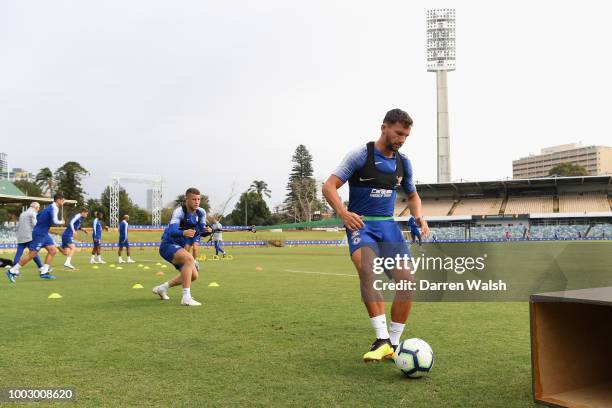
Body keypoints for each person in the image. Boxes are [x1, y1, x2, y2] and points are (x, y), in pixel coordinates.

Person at [322, 108, 428, 362]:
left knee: (407, 283)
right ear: (384, 127)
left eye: (406, 136)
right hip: (362, 225)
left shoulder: (404, 163)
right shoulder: (361, 155)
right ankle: (380, 338)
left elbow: (412, 195)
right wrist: (343, 213)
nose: (402, 139)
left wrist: (419, 217)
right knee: (366, 268)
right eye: (398, 133)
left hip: (388, 227)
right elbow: (329, 186)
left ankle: (393, 343)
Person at [152, 188, 211, 306]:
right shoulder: (179, 212)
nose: (197, 202)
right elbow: (173, 230)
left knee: (193, 276)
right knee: (189, 259)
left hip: (180, 248)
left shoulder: (201, 212)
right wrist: (183, 232)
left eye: (199, 199)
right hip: (168, 245)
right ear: (187, 200)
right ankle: (186, 298)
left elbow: (201, 230)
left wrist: (207, 231)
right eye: (194, 199)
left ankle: (162, 288)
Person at [7, 193, 66, 281]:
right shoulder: (54, 207)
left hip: (43, 233)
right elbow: (55, 221)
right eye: (63, 200)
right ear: (58, 200)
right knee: (32, 254)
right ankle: (12, 271)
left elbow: (39, 216)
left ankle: (44, 272)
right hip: (40, 233)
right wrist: (62, 222)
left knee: (53, 250)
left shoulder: (50, 207)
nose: (64, 201)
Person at [8, 202, 45, 280]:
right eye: (38, 208)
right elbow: (35, 224)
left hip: (20, 236)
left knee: (19, 253)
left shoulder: (23, 213)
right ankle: (41, 268)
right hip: (29, 236)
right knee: (33, 252)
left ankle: (15, 271)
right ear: (35, 207)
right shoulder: (33, 213)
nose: (38, 210)